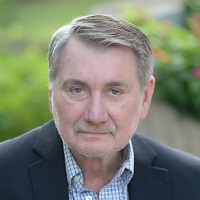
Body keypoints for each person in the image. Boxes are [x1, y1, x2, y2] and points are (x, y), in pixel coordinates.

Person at [0, 14, 200, 200]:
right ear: (51, 94)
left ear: (145, 97)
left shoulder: (192, 182)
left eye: (114, 91)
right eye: (77, 90)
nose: (95, 116)